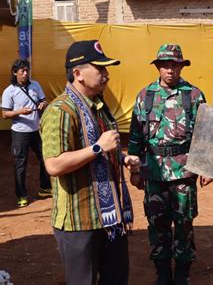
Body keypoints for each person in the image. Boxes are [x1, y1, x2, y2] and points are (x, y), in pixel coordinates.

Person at [40, 40, 139, 285]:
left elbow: (104, 148)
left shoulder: (100, 107)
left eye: (106, 69)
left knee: (116, 279)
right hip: (79, 221)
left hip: (110, 218)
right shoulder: (60, 111)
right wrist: (97, 148)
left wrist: (123, 158)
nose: (106, 74)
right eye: (100, 69)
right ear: (78, 74)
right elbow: (53, 164)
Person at [128, 44, 213, 285]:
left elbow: (205, 134)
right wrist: (135, 170)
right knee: (157, 224)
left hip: (184, 172)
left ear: (181, 66)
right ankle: (162, 274)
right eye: (165, 65)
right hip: (153, 172)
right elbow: (136, 135)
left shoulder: (194, 95)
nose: (170, 70)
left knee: (184, 224)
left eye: (175, 65)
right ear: (158, 67)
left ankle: (183, 274)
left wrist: (206, 168)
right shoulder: (145, 96)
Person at [1, 59, 51, 207]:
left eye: (27, 70)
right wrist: (20, 112)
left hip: (36, 131)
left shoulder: (35, 85)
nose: (25, 73)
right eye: (22, 71)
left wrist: (43, 104)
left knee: (44, 158)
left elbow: (43, 100)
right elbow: (5, 114)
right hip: (20, 133)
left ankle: (45, 188)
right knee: (20, 164)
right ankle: (21, 195)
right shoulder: (9, 91)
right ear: (15, 72)